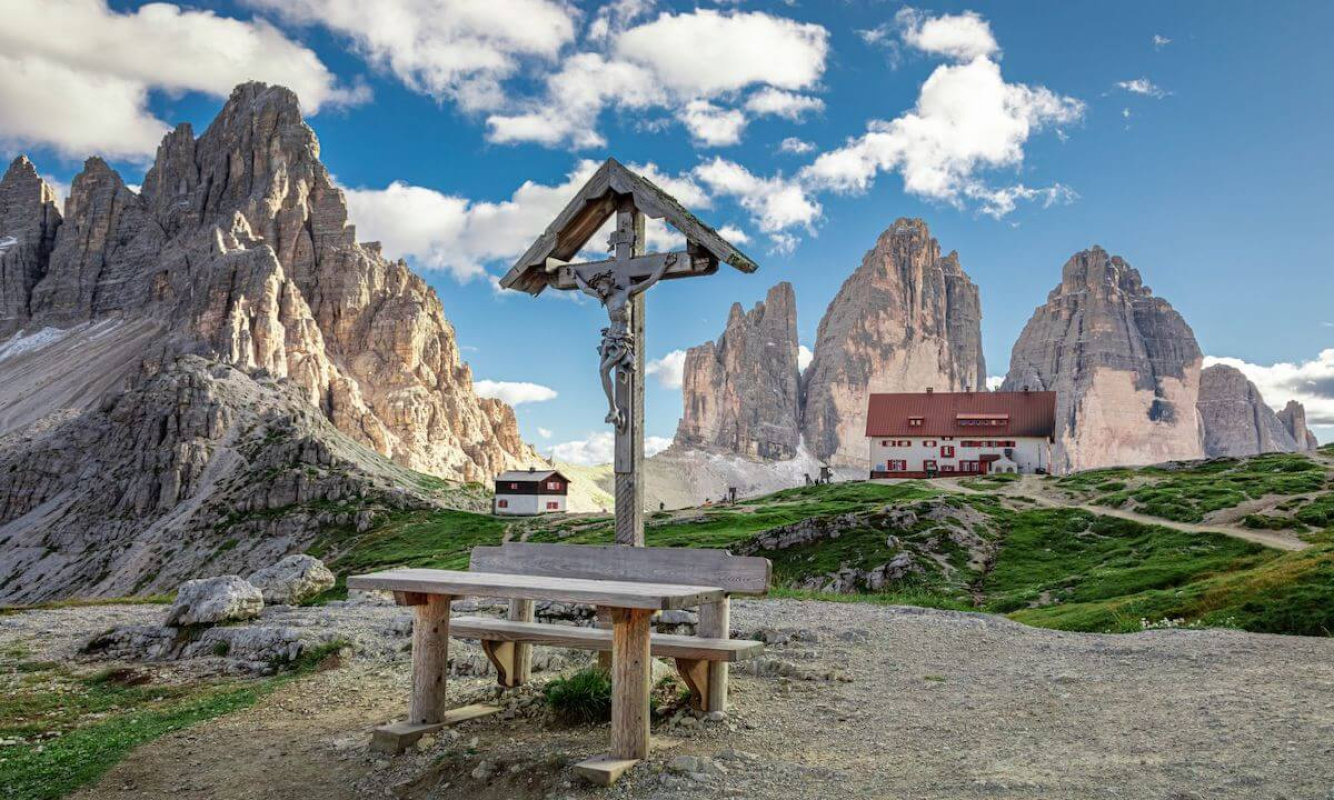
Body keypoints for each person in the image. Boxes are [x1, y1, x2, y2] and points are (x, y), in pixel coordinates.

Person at [573, 253, 676, 430]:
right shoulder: (605, 299)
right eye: (598, 289)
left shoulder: (626, 293)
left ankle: (613, 410)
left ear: (608, 283)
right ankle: (613, 409)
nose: (599, 291)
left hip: (622, 339)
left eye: (600, 287)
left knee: (605, 369)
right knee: (602, 371)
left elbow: (650, 281)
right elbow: (585, 289)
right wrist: (575, 277)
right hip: (609, 338)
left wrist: (664, 265)